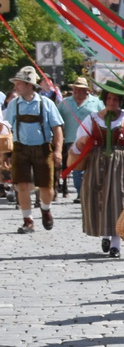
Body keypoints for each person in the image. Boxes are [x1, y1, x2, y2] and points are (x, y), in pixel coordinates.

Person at [68, 80, 124, 257]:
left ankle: (116, 244)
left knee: (119, 199)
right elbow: (78, 143)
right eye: (109, 98)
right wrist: (82, 143)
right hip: (97, 163)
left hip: (121, 163)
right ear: (104, 99)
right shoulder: (92, 118)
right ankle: (106, 235)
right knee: (99, 198)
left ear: (120, 101)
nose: (112, 102)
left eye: (116, 99)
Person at [4, 66, 63, 233]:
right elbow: (7, 129)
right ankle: (28, 220)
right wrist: (5, 153)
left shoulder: (46, 103)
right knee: (21, 185)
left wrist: (58, 151)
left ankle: (45, 209)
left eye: (19, 83)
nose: (16, 86)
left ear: (29, 85)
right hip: (20, 149)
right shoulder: (14, 104)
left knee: (46, 186)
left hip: (43, 148)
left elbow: (57, 129)